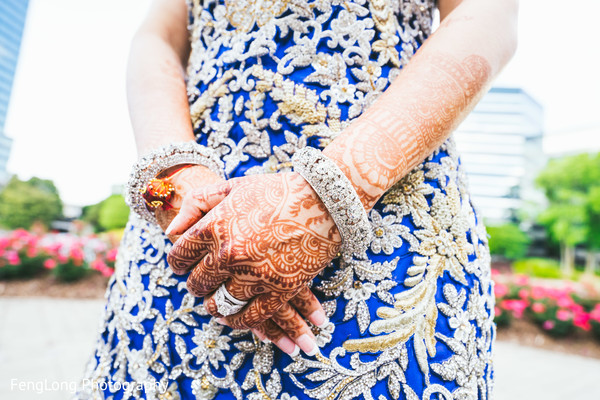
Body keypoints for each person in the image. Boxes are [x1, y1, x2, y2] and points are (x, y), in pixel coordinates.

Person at [74, 0, 518, 398]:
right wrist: (176, 182)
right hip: (187, 239)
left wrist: (326, 194)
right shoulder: (182, 199)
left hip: (382, 229)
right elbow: (158, 37)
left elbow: (488, 13)